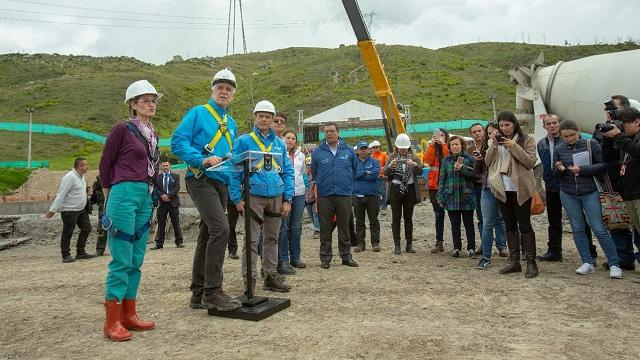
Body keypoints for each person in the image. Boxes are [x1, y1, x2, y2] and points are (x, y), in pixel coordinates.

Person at [171, 68, 241, 311]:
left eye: (229, 89)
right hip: (200, 179)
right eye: (220, 87)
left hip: (221, 182)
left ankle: (198, 293)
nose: (224, 91)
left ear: (233, 95)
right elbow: (178, 142)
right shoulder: (199, 113)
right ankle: (213, 292)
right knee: (221, 229)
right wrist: (199, 159)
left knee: (207, 233)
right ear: (212, 90)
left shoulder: (231, 123)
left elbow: (231, 158)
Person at [99, 80, 161, 341]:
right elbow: (105, 164)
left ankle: (129, 314)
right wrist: (108, 198)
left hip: (145, 195)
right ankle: (112, 321)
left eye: (153, 100)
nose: (151, 104)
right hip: (123, 192)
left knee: (136, 259)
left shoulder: (152, 133)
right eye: (145, 100)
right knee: (122, 258)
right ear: (133, 104)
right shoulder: (122, 130)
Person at [230, 100, 294, 293]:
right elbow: (234, 171)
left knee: (272, 238)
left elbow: (287, 171)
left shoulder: (279, 144)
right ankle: (249, 281)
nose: (264, 119)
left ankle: (270, 276)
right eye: (261, 116)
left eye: (268, 116)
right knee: (250, 241)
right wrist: (236, 198)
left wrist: (287, 199)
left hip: (276, 195)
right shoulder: (243, 141)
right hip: (253, 197)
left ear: (273, 119)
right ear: (255, 117)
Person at [553, 119, 622, 279]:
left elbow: (603, 165)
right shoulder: (559, 148)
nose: (570, 138)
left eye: (572, 135)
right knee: (577, 228)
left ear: (578, 131)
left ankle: (614, 263)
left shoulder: (592, 144)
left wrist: (582, 170)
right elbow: (554, 172)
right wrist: (560, 169)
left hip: (590, 190)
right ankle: (587, 261)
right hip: (568, 192)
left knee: (599, 228)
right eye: (566, 136)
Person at [485, 111, 539, 278]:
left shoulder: (527, 139)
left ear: (514, 124)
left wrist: (513, 146)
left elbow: (530, 162)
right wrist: (494, 144)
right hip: (502, 188)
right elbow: (487, 162)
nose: (504, 128)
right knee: (509, 225)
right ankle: (514, 261)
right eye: (501, 126)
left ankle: (531, 262)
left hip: (520, 187)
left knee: (524, 225)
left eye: (507, 125)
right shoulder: (494, 142)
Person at [312, 123, 358, 269]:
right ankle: (325, 258)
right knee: (325, 228)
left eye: (332, 131)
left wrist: (347, 184)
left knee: (344, 227)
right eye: (326, 132)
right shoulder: (317, 152)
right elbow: (314, 172)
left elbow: (355, 171)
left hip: (344, 194)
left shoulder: (349, 151)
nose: (329, 134)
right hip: (325, 195)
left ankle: (346, 257)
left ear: (338, 133)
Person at [602, 107, 640, 282]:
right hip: (630, 193)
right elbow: (609, 159)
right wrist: (608, 139)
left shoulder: (631, 141)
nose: (622, 129)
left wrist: (618, 136)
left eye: (624, 125)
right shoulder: (626, 140)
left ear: (637, 122)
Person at [46, 158, 95, 263]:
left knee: (86, 228)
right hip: (69, 210)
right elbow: (61, 194)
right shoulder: (69, 177)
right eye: (86, 165)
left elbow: (77, 192)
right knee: (67, 232)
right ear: (80, 166)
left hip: (81, 209)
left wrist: (88, 193)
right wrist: (53, 210)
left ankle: (80, 252)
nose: (88, 167)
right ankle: (66, 255)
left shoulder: (82, 177)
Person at [474, 123, 507, 269]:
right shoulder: (487, 147)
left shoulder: (509, 145)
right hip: (488, 188)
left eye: (495, 132)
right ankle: (486, 256)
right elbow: (480, 170)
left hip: (506, 188)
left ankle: (514, 252)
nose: (492, 135)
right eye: (489, 133)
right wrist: (479, 160)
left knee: (510, 222)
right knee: (487, 223)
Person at [437, 136, 477, 258]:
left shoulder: (469, 159)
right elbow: (442, 180)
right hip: (451, 197)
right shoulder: (446, 161)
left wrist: (462, 168)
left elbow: (474, 175)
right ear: (449, 146)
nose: (454, 147)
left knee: (469, 224)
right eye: (452, 145)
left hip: (466, 196)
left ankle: (471, 248)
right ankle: (457, 248)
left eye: (457, 144)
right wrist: (440, 196)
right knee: (455, 224)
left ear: (462, 145)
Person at [384, 133, 423, 255]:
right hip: (395, 189)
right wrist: (391, 166)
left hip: (410, 189)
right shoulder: (392, 157)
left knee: (408, 218)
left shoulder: (414, 157)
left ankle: (409, 244)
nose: (402, 150)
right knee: (396, 218)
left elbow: (420, 171)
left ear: (409, 147)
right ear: (396, 147)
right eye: (401, 147)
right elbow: (385, 172)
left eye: (404, 148)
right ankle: (397, 244)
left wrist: (414, 164)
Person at [277, 130, 308, 274]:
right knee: (284, 227)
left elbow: (301, 173)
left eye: (293, 138)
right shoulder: (278, 153)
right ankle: (284, 259)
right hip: (283, 194)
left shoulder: (300, 155)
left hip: (299, 193)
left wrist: (307, 187)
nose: (290, 140)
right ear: (283, 139)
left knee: (296, 226)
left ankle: (296, 257)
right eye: (287, 138)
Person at [423, 128, 450, 253]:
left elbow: (447, 159)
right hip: (434, 186)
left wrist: (443, 144)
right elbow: (427, 160)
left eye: (442, 135)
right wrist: (432, 146)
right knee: (438, 215)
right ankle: (439, 242)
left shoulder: (449, 147)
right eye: (438, 135)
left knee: (454, 215)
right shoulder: (431, 147)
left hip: (448, 186)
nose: (439, 137)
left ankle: (457, 243)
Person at [352, 140, 381, 252]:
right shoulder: (353, 163)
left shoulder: (375, 161)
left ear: (369, 150)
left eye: (365, 148)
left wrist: (361, 173)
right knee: (359, 221)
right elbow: (353, 175)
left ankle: (375, 243)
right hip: (357, 195)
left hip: (372, 194)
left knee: (374, 220)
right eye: (361, 148)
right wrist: (366, 172)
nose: (363, 150)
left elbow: (375, 175)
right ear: (357, 150)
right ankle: (360, 244)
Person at [150, 161, 183, 249]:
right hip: (162, 204)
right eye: (163, 166)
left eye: (167, 165)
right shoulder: (158, 177)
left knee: (176, 223)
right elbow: (156, 188)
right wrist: (162, 195)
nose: (165, 167)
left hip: (173, 202)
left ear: (169, 166)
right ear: (162, 166)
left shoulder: (176, 176)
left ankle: (179, 242)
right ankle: (159, 244)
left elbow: (177, 188)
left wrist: (168, 196)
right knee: (161, 224)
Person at [466, 123, 486, 254]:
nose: (477, 133)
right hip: (477, 186)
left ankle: (502, 245)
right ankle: (485, 244)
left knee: (500, 218)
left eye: (479, 131)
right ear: (471, 134)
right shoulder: (469, 150)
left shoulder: (490, 145)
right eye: (474, 132)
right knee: (481, 217)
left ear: (483, 131)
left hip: (492, 184)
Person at [91, 174, 108, 256]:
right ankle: (100, 249)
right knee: (102, 227)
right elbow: (94, 193)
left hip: (116, 204)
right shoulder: (100, 178)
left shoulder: (120, 175)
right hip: (103, 205)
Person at [369, 140, 388, 211]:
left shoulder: (384, 155)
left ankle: (384, 206)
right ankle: (378, 206)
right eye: (374, 147)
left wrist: (385, 174)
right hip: (374, 177)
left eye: (377, 147)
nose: (375, 149)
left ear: (380, 147)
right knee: (376, 192)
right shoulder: (371, 156)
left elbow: (387, 165)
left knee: (383, 192)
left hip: (381, 177)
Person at [304, 156, 320, 238]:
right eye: (307, 165)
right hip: (307, 199)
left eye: (310, 165)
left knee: (315, 214)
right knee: (311, 215)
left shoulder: (316, 175)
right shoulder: (304, 175)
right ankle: (318, 228)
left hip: (315, 198)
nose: (309, 167)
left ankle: (317, 230)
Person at [226, 192, 240, 259]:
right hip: (232, 197)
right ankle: (232, 250)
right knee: (231, 226)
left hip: (248, 195)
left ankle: (258, 248)